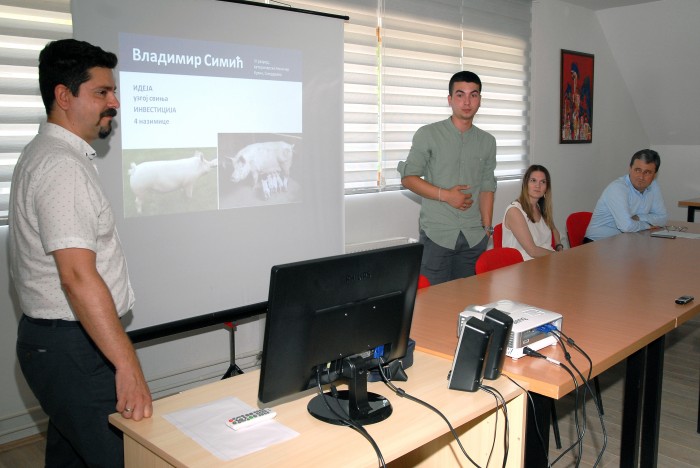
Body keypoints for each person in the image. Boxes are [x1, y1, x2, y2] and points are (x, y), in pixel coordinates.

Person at [8, 39, 152, 467]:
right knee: (126, 457)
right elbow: (76, 277)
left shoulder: (48, 154)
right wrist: (128, 365)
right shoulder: (61, 166)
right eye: (102, 92)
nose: (116, 103)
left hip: (61, 345)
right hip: (74, 348)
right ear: (64, 96)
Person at [397, 71, 497, 285]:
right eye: (460, 95)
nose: (467, 102)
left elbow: (488, 185)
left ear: (480, 99)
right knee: (433, 304)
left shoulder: (487, 141)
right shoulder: (428, 134)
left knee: (470, 302)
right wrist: (446, 195)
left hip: (474, 237)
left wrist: (487, 229)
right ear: (450, 99)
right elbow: (408, 178)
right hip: (437, 235)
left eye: (474, 95)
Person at [584, 149, 667, 242]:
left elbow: (663, 219)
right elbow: (626, 226)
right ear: (630, 168)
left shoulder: (654, 186)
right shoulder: (618, 188)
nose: (641, 177)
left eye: (647, 172)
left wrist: (639, 217)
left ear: (654, 175)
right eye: (637, 170)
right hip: (597, 243)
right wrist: (648, 225)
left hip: (626, 240)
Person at [502, 165, 563, 260]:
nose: (538, 186)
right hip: (522, 266)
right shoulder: (515, 211)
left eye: (542, 182)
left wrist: (559, 246)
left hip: (545, 261)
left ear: (547, 188)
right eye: (533, 180)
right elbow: (532, 251)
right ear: (525, 184)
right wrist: (559, 256)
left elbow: (554, 230)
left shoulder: (540, 206)